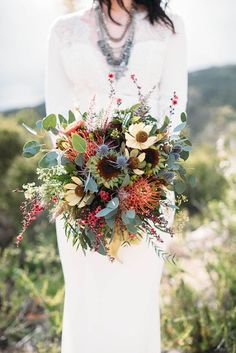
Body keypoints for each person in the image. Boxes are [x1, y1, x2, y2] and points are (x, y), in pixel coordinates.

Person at [45, 0, 188, 352]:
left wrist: (142, 178)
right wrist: (88, 178)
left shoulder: (169, 26)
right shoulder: (63, 31)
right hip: (81, 191)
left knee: (134, 306)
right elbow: (58, 124)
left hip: (148, 190)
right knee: (87, 304)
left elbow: (175, 115)